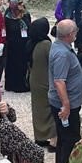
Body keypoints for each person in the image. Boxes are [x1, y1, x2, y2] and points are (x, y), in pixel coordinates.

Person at [49, 20, 82, 163]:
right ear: (70, 34)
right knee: (70, 139)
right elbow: (59, 82)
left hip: (68, 102)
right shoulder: (62, 54)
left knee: (64, 138)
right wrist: (66, 105)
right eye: (75, 31)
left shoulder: (61, 48)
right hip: (65, 104)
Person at [27, 17, 56, 149]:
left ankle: (40, 137)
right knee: (50, 110)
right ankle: (53, 140)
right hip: (46, 81)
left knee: (37, 109)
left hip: (35, 81)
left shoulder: (31, 43)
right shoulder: (46, 45)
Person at [2, 0, 32, 93]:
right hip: (12, 44)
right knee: (11, 65)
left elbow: (29, 27)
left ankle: (22, 85)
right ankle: (11, 85)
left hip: (23, 44)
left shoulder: (25, 13)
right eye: (13, 1)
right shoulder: (7, 14)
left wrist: (21, 16)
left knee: (22, 65)